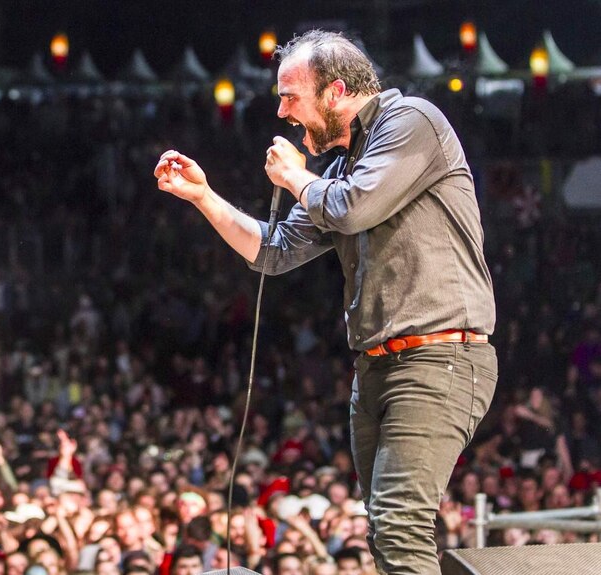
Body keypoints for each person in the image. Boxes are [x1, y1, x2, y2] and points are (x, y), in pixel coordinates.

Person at [154, 29, 498, 574]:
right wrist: (203, 197)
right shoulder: (340, 168)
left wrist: (295, 175)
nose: (284, 113)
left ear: (335, 91)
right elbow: (274, 250)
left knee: (400, 523)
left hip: (440, 356)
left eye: (291, 97)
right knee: (388, 533)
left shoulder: (412, 122)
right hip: (377, 365)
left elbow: (350, 209)